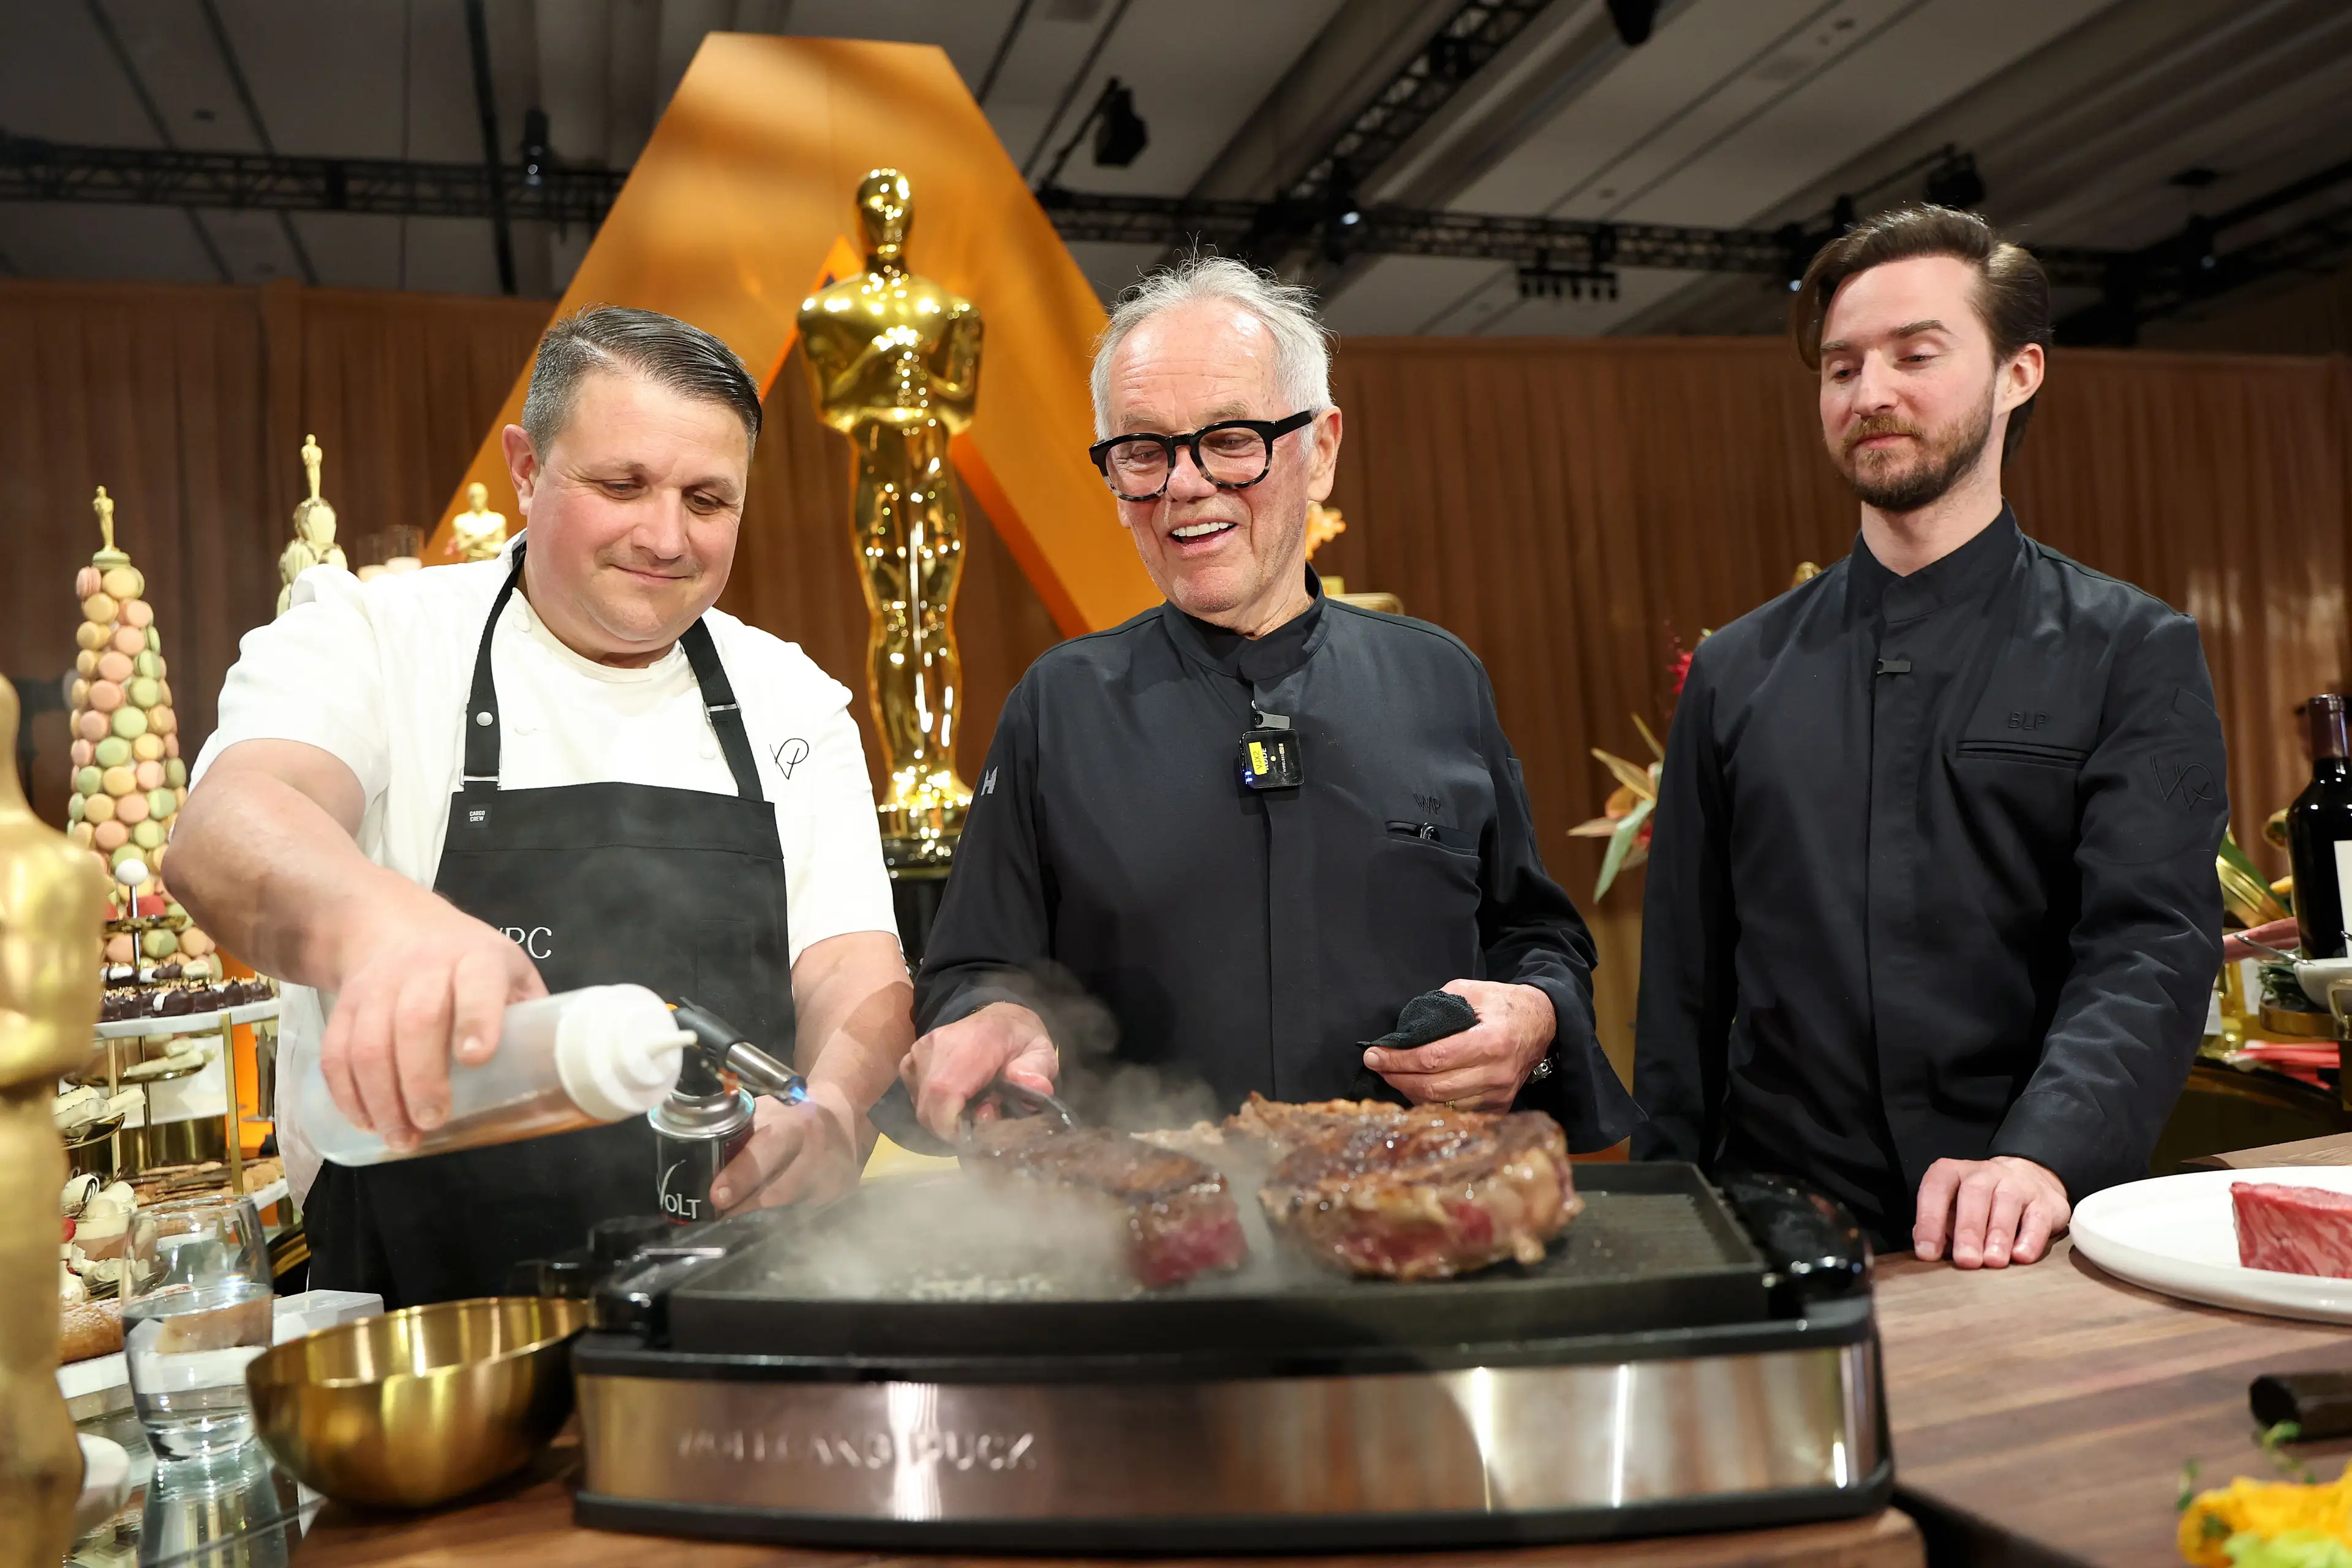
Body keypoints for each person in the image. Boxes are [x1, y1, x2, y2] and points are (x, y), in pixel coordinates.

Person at [173, 306, 911, 1306]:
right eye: (622, 485)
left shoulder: (790, 697)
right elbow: (230, 821)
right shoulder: (376, 638)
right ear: (526, 468)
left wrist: (828, 1112)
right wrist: (387, 931)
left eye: (708, 499)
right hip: (428, 1326)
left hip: (730, 1292)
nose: (664, 536)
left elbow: (849, 965)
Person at [902, 257, 1638, 1150]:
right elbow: (974, 965)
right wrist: (990, 1019)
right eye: (1143, 450)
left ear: (1320, 449)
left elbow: (1533, 934)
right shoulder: (1059, 706)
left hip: (1412, 1214)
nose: (1182, 484)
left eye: (1231, 439)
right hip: (1148, 1232)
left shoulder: (1441, 682)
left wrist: (1535, 1017)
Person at [1632, 206, 2228, 1268]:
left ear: (2019, 373)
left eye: (1917, 355)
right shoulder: (1737, 673)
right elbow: (1685, 986)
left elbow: (2147, 948)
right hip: (1785, 1227)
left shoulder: (2130, 649)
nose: (1871, 393)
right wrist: (1667, 1220)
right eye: (1841, 367)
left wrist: (2043, 1157)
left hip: (2033, 1218)